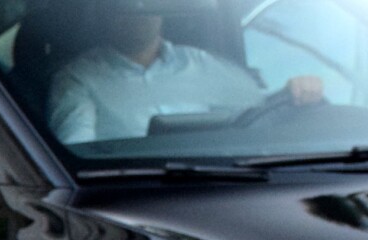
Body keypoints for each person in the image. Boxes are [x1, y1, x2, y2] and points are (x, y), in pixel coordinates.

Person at [48, 0, 324, 146]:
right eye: (129, 3)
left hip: (217, 185)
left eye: (149, 2)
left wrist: (299, 90)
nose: (139, 10)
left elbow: (254, 114)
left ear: (165, 10)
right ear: (110, 11)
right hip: (131, 196)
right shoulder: (78, 78)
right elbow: (76, 151)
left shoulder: (200, 63)